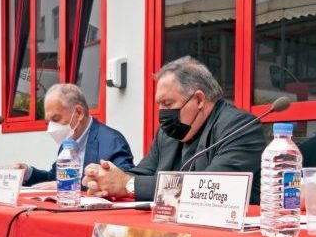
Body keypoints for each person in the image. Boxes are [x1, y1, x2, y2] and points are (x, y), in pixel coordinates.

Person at [82, 56, 267, 203]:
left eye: (168, 103)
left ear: (199, 100)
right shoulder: (167, 133)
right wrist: (106, 179)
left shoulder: (240, 127)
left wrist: (128, 185)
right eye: (159, 104)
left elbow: (210, 190)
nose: (162, 113)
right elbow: (142, 173)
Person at [16, 84, 134, 188]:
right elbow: (53, 179)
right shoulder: (67, 143)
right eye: (48, 122)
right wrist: (27, 172)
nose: (51, 128)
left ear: (79, 113)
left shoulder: (112, 141)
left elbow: (124, 184)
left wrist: (66, 185)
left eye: (56, 119)